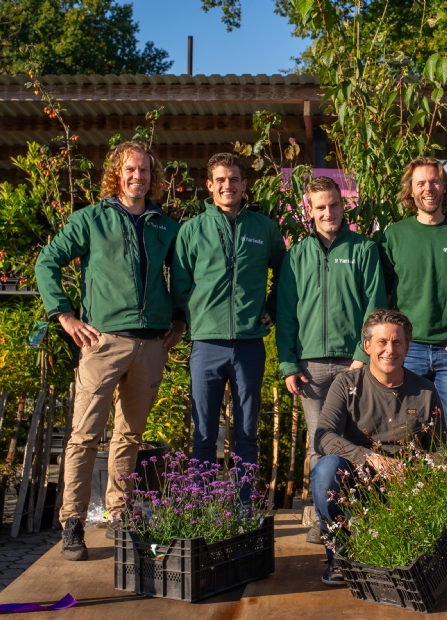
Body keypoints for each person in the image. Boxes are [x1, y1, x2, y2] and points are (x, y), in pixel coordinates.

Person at [35, 141, 184, 561]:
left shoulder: (163, 225)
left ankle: (119, 518)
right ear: (117, 173)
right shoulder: (91, 220)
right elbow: (48, 261)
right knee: (83, 437)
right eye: (131, 169)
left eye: (146, 170)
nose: (139, 176)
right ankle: (72, 524)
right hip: (102, 343)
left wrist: (178, 319)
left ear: (153, 176)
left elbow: (184, 278)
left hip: (150, 345)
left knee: (129, 437)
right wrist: (64, 316)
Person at [276, 175, 387, 544]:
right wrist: (289, 363)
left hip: (353, 365)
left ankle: (362, 514)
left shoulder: (364, 250)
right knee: (318, 442)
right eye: (320, 207)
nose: (328, 213)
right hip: (311, 369)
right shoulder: (296, 255)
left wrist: (362, 354)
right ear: (309, 210)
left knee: (360, 439)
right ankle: (323, 520)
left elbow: (375, 306)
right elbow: (287, 312)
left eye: (334, 205)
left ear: (344, 206)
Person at [171, 152, 286, 471]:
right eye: (220, 179)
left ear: (244, 184)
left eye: (234, 179)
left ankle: (244, 509)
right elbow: (179, 283)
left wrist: (272, 309)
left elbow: (284, 275)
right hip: (206, 345)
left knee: (247, 432)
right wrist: (193, 316)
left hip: (249, 345)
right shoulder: (192, 230)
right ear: (209, 185)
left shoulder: (264, 228)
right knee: (204, 434)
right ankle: (205, 514)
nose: (227, 185)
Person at [312, 309, 444, 586]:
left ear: (408, 347)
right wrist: (367, 456)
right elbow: (323, 436)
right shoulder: (347, 383)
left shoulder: (426, 391)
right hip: (358, 477)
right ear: (367, 346)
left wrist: (417, 472)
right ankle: (339, 554)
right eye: (382, 342)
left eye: (397, 342)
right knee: (326, 469)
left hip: (405, 483)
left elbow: (439, 449)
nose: (390, 350)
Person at [379, 157, 447, 474]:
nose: (429, 188)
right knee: (404, 438)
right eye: (421, 182)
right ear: (410, 190)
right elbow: (382, 298)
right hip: (406, 354)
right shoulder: (393, 236)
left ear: (446, 187)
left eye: (435, 181)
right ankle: (408, 515)